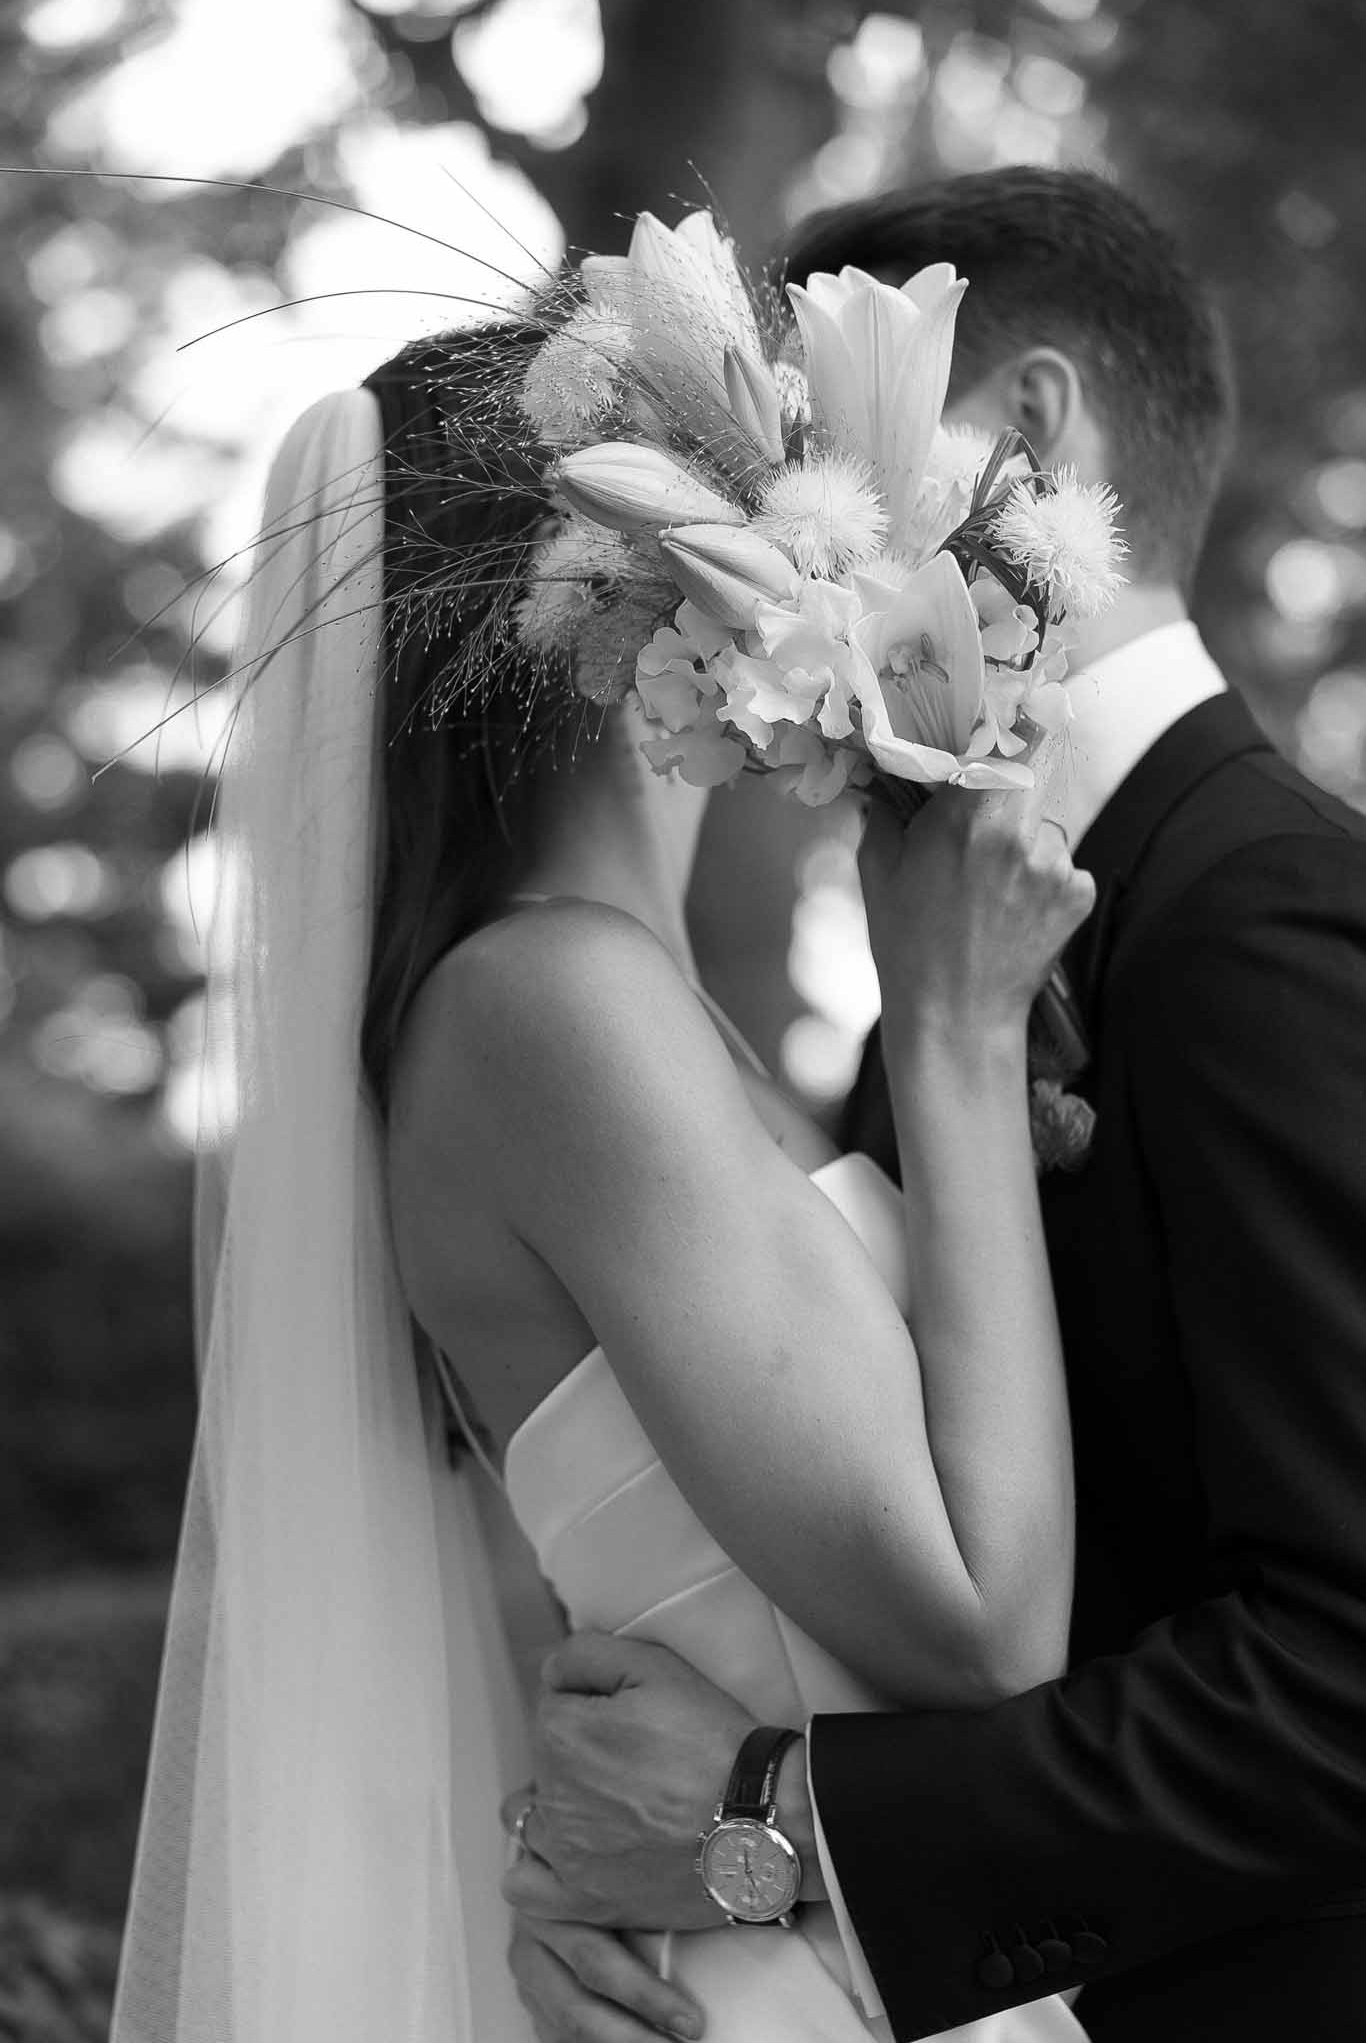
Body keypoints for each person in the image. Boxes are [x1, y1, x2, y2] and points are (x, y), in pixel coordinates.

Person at [110, 278, 1097, 2039]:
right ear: (623, 588)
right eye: (764, 488)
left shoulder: (593, 1003)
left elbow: (607, 1619)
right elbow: (982, 1630)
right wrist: (955, 1039)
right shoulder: (550, 1004)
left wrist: (625, 1843)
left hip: (793, 1936)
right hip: (787, 1978)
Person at [503, 171, 1366, 2043]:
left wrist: (755, 1836)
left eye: (804, 425)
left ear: (1021, 425)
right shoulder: (944, 967)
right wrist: (610, 1861)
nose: (741, 517)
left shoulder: (1269, 916)